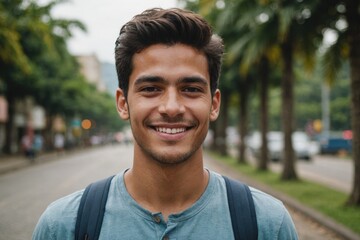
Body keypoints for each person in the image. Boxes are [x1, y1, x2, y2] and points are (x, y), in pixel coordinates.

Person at [33, 8, 298, 239]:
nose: (171, 107)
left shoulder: (267, 225)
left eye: (191, 89)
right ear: (123, 103)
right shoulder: (63, 226)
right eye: (151, 88)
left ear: (214, 104)